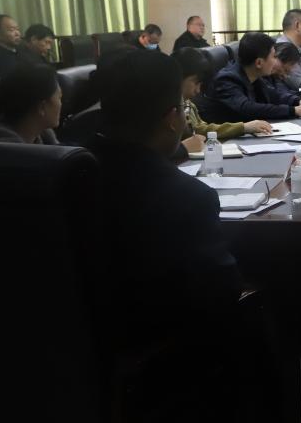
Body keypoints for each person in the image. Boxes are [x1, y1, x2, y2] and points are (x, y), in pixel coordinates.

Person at [87, 49, 242, 348]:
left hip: (80, 345)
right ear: (172, 118)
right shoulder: (188, 197)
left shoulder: (68, 171)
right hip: (161, 349)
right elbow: (222, 290)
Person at [200, 31, 301, 123]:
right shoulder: (227, 79)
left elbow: (273, 95)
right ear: (259, 63)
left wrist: (297, 101)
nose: (275, 61)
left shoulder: (253, 76)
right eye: (273, 56)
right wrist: (293, 110)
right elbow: (247, 108)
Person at [173, 47, 272, 142]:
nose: (198, 90)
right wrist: (243, 127)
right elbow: (199, 131)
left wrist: (243, 127)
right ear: (178, 77)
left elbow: (201, 128)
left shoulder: (188, 104)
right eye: (196, 83)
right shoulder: (170, 107)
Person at [0, 62, 61, 144]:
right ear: (42, 107)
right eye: (59, 98)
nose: (61, 104)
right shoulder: (3, 150)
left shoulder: (36, 136)